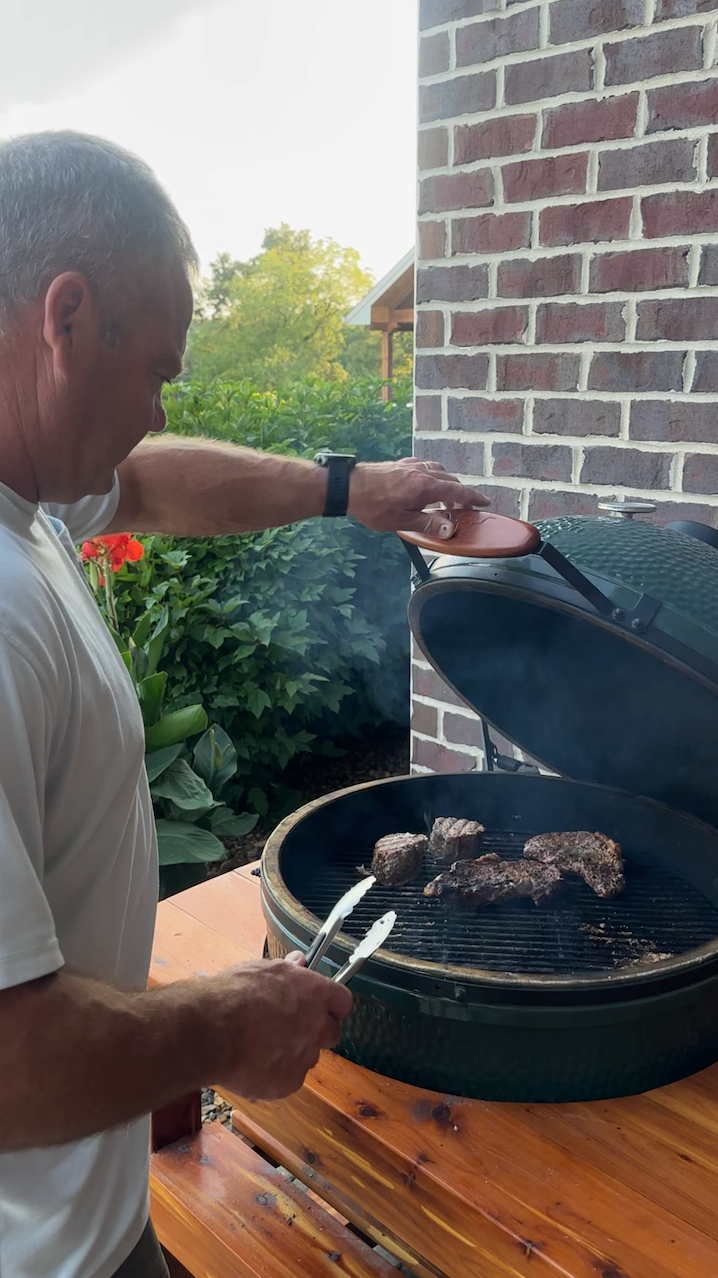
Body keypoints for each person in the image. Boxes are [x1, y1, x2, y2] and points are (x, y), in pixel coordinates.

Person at [0, 131, 488, 1278]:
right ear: (65, 322)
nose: (162, 400)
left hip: (92, 1224)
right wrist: (228, 1024)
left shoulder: (33, 495)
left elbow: (153, 479)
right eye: (161, 368)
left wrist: (347, 488)